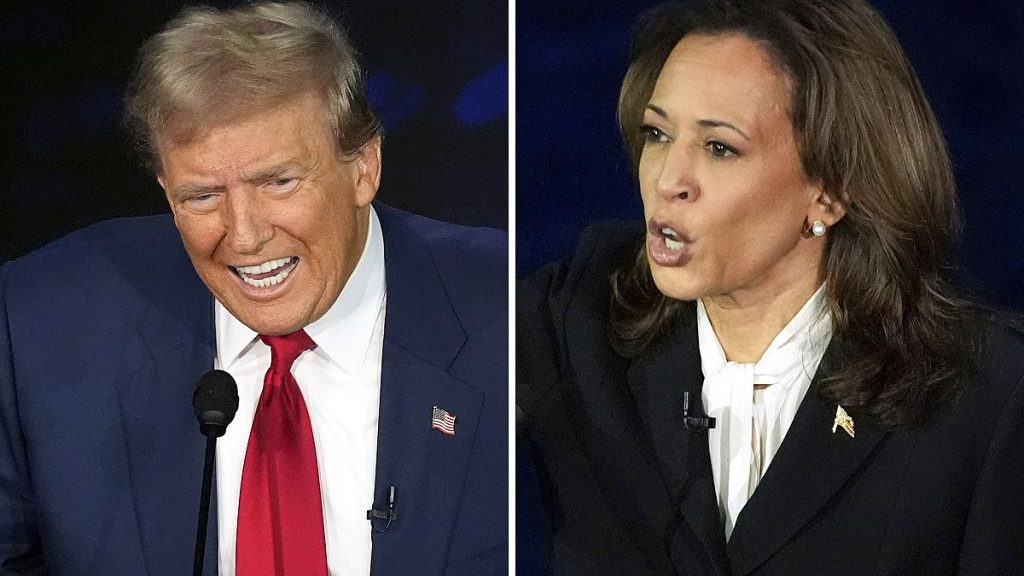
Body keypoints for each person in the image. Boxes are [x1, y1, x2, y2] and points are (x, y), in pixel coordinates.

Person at [517, 0, 1024, 574]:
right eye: (657, 133)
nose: (667, 180)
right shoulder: (574, 324)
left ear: (829, 191)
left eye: (719, 147)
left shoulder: (987, 398)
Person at [0, 3, 507, 575]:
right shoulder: (42, 324)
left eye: (279, 181)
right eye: (202, 196)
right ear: (167, 191)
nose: (244, 235)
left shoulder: (511, 314)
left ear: (363, 166)